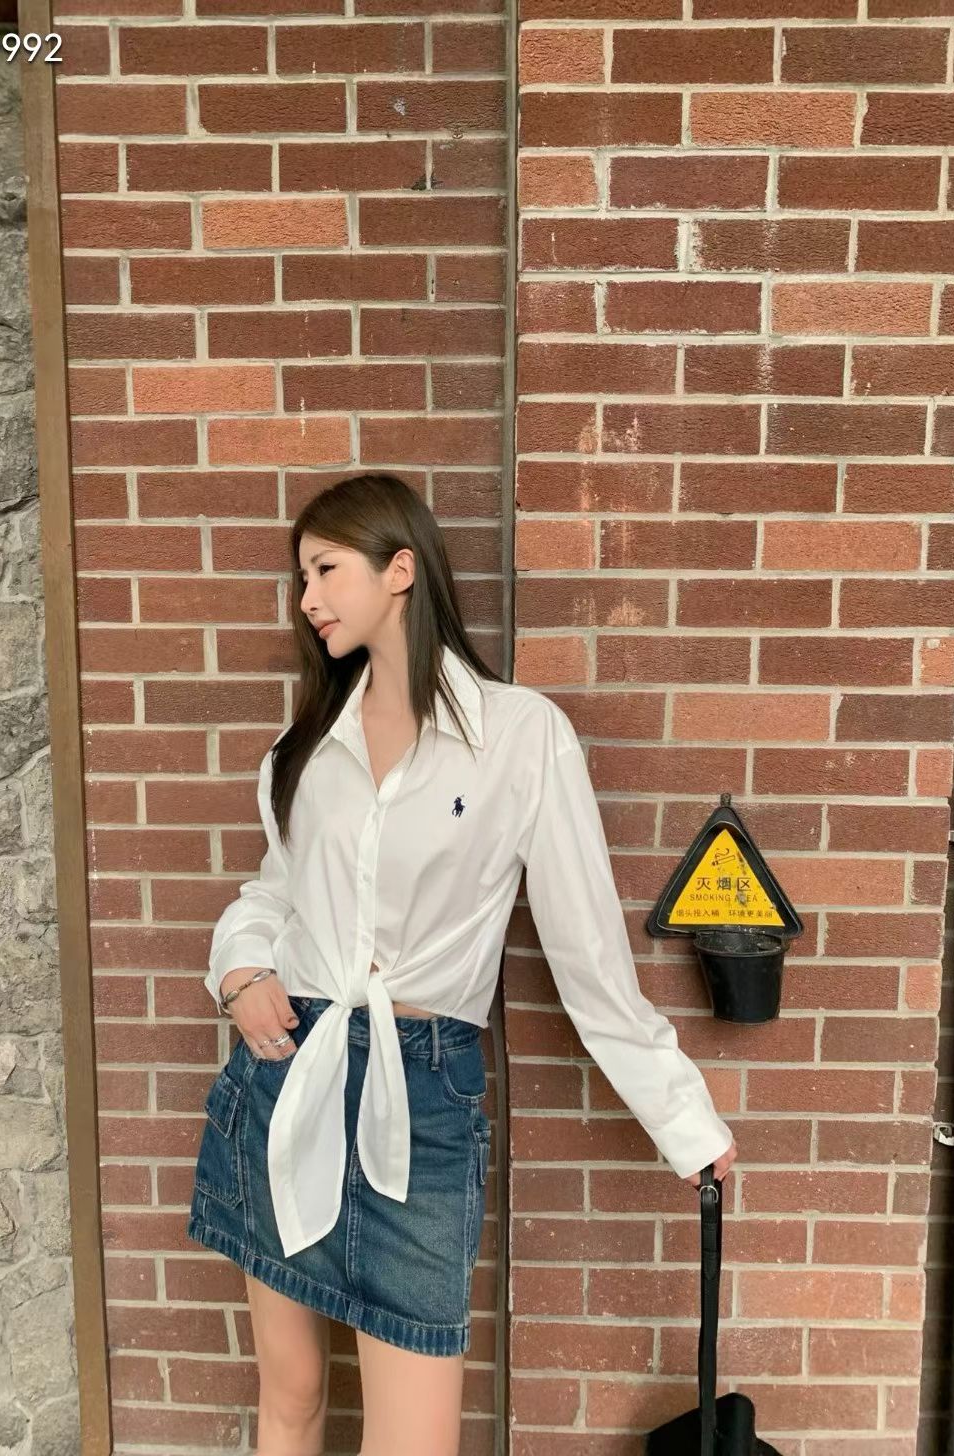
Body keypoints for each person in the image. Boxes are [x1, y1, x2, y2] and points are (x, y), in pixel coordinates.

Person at [187, 471, 737, 1456]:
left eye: (326, 569)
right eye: (302, 577)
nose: (307, 598)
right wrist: (239, 972)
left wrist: (681, 1116)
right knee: (292, 1399)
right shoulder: (303, 751)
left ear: (401, 568)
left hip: (422, 1096)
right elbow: (273, 896)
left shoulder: (520, 737)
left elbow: (587, 954)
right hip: (287, 1075)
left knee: (415, 1442)